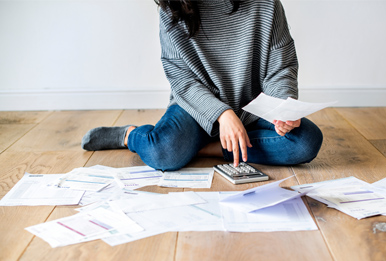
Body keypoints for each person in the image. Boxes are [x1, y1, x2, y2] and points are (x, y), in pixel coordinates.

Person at [81, 0, 323, 171]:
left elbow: (281, 65)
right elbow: (182, 79)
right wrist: (223, 114)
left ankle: (207, 148)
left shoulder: (267, 4)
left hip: (253, 108)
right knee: (163, 152)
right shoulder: (172, 8)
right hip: (196, 107)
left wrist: (283, 109)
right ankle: (130, 135)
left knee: (306, 141)